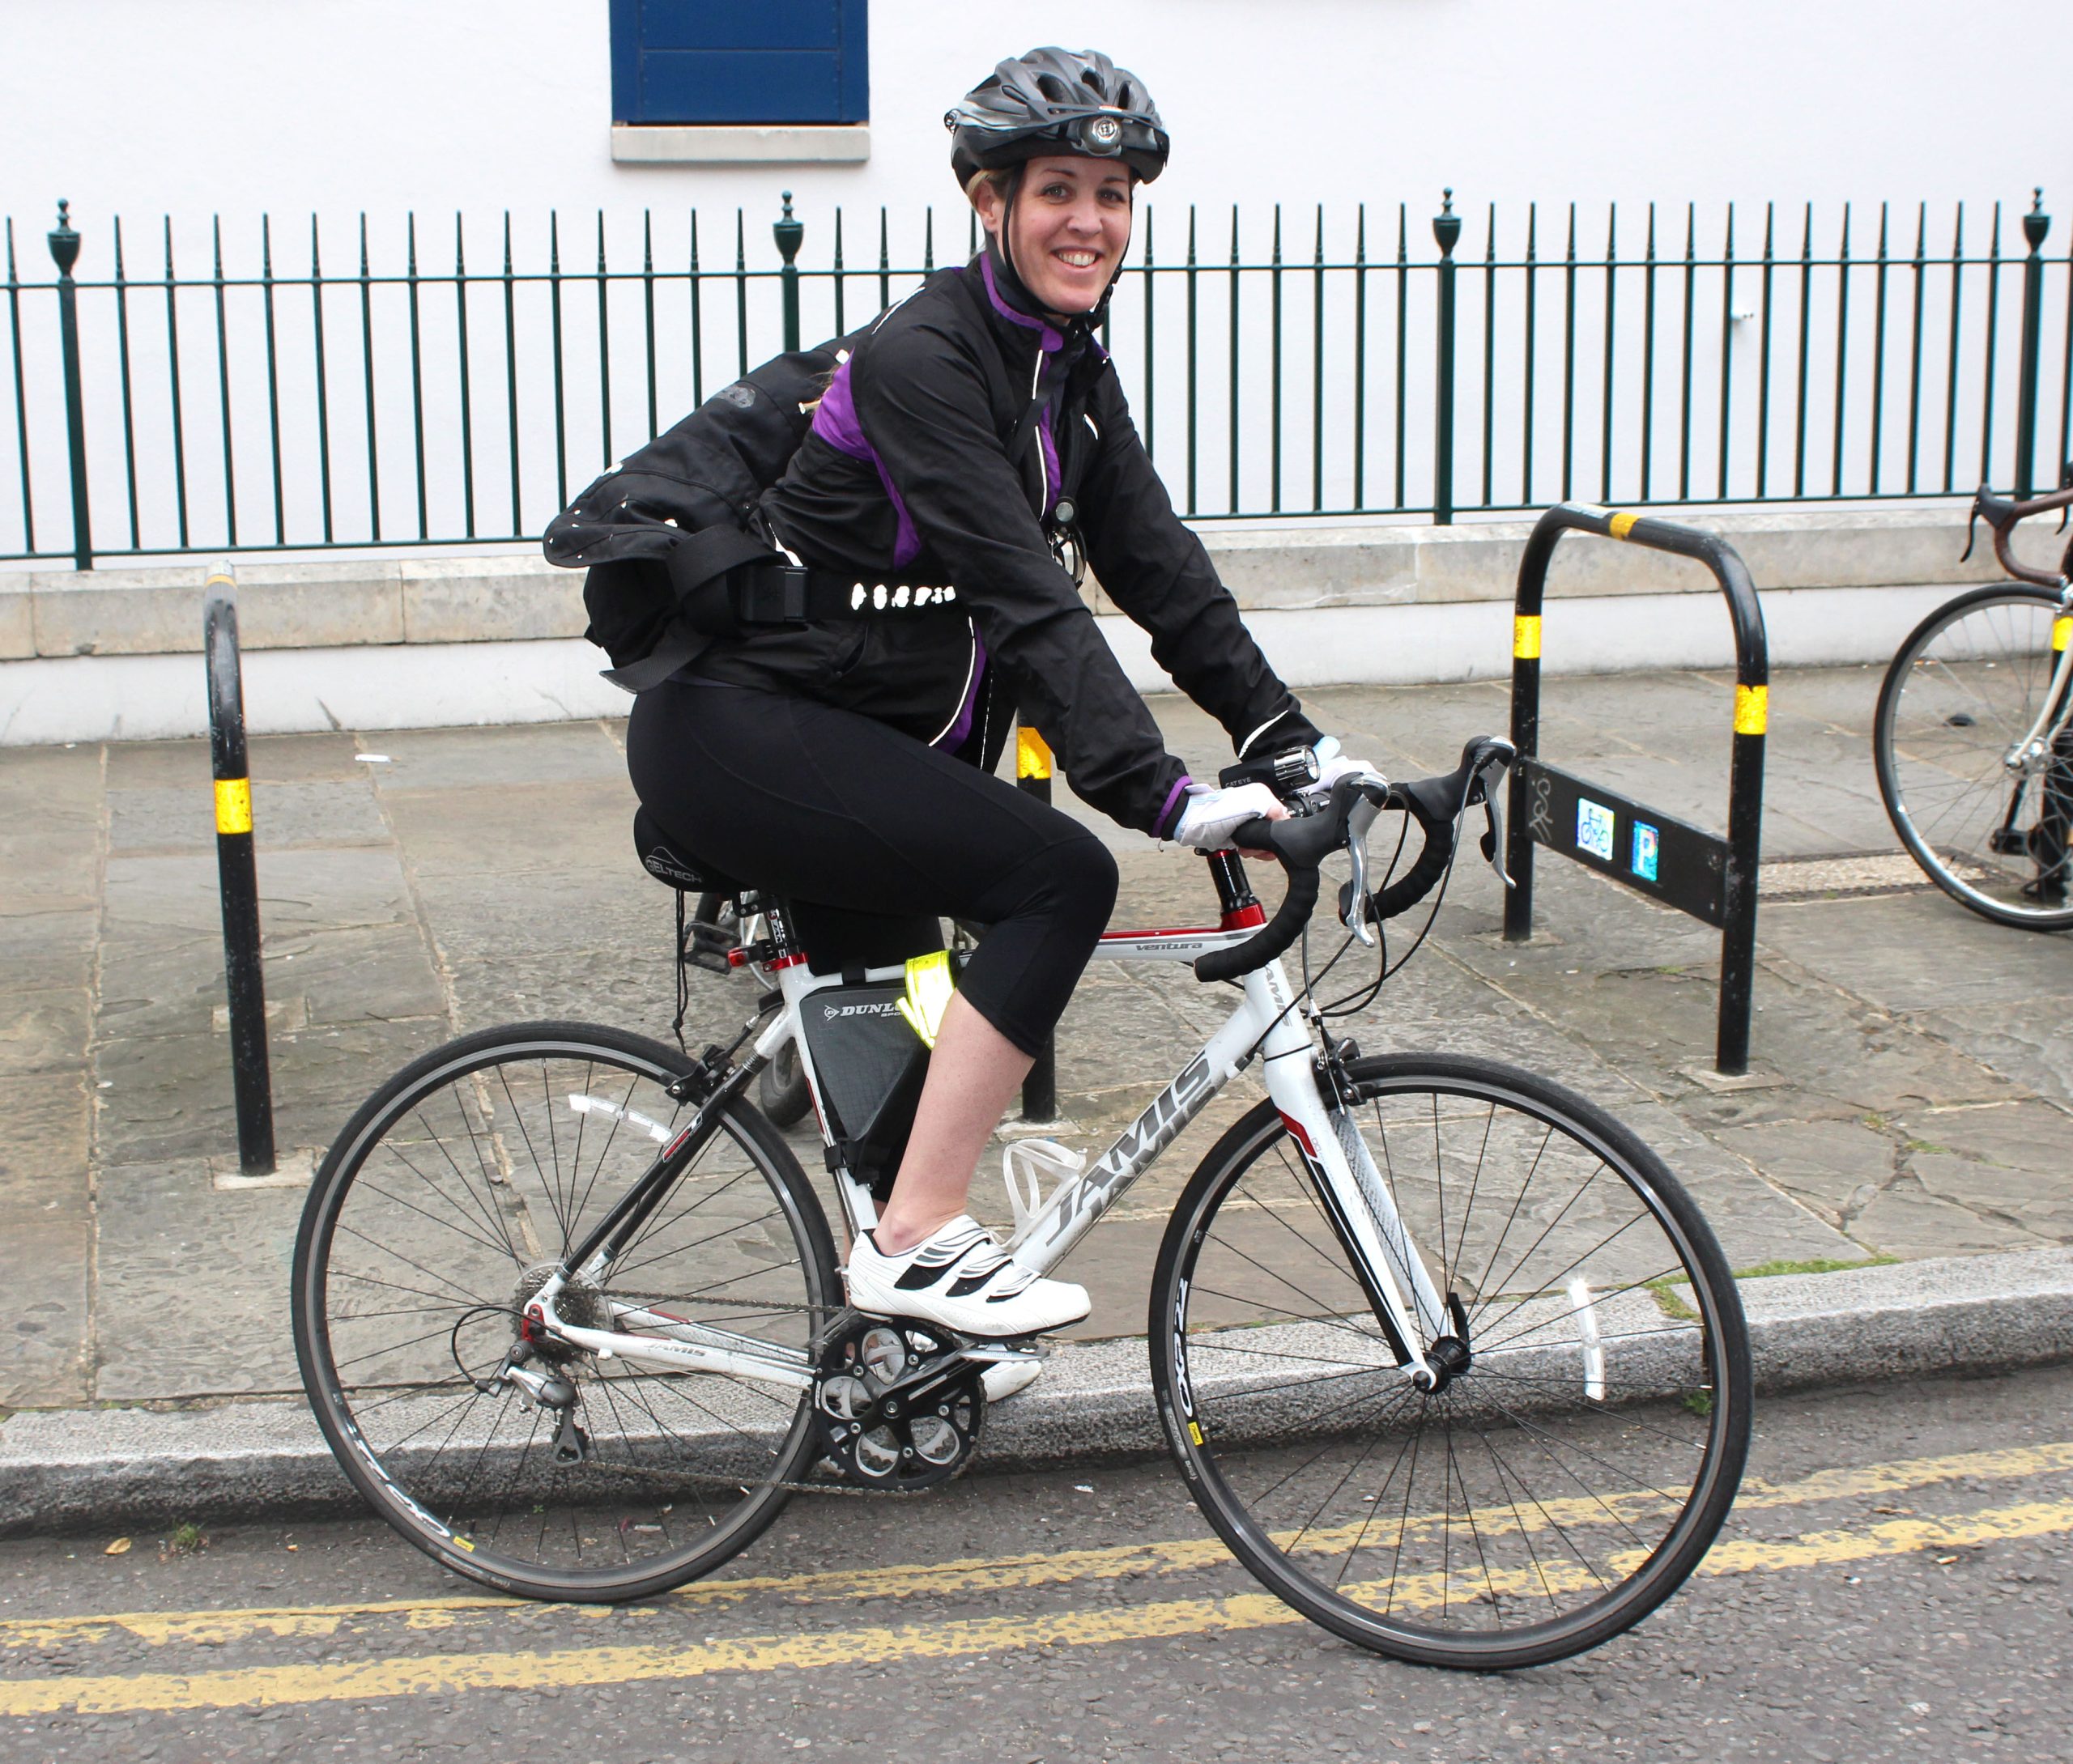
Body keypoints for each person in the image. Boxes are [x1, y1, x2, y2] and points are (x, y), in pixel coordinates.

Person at [624, 47, 1359, 1367]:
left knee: (914, 1064)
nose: (1091, 221)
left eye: (1113, 194)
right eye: (1058, 190)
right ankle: (913, 1240)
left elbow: (1159, 569)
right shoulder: (925, 359)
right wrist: (1161, 796)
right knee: (1059, 881)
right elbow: (1027, 594)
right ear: (990, 200)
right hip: (739, 731)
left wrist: (1291, 741)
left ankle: (897, 1353)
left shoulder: (1065, 368)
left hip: (852, 739)